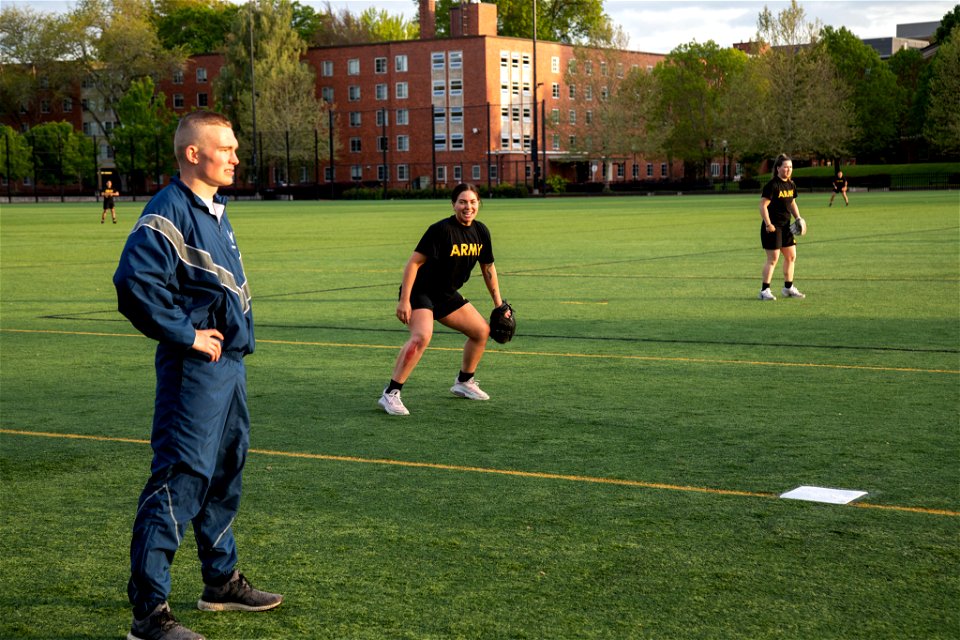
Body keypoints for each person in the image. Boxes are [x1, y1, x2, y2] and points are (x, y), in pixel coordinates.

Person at [114, 110, 282, 640]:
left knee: (225, 473)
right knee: (180, 479)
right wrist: (187, 335)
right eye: (225, 148)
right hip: (195, 370)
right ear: (193, 154)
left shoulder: (213, 209)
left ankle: (220, 581)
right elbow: (133, 282)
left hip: (228, 368)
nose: (235, 156)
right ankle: (149, 612)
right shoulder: (168, 210)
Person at [379, 182, 508, 416]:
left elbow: (488, 268)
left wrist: (499, 304)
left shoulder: (481, 231)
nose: (467, 207)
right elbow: (414, 263)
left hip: (446, 294)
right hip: (421, 292)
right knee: (421, 336)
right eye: (462, 202)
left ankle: (464, 382)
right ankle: (391, 393)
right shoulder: (441, 230)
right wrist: (405, 300)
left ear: (479, 203)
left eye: (472, 202)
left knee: (481, 331)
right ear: (453, 204)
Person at [758, 153, 805, 301]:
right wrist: (768, 223)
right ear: (778, 168)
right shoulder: (772, 185)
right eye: (785, 167)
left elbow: (792, 203)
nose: (788, 170)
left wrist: (798, 217)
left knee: (791, 256)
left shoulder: (791, 184)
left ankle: (788, 287)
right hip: (772, 227)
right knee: (773, 259)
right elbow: (762, 206)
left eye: (790, 167)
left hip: (786, 227)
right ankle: (764, 290)